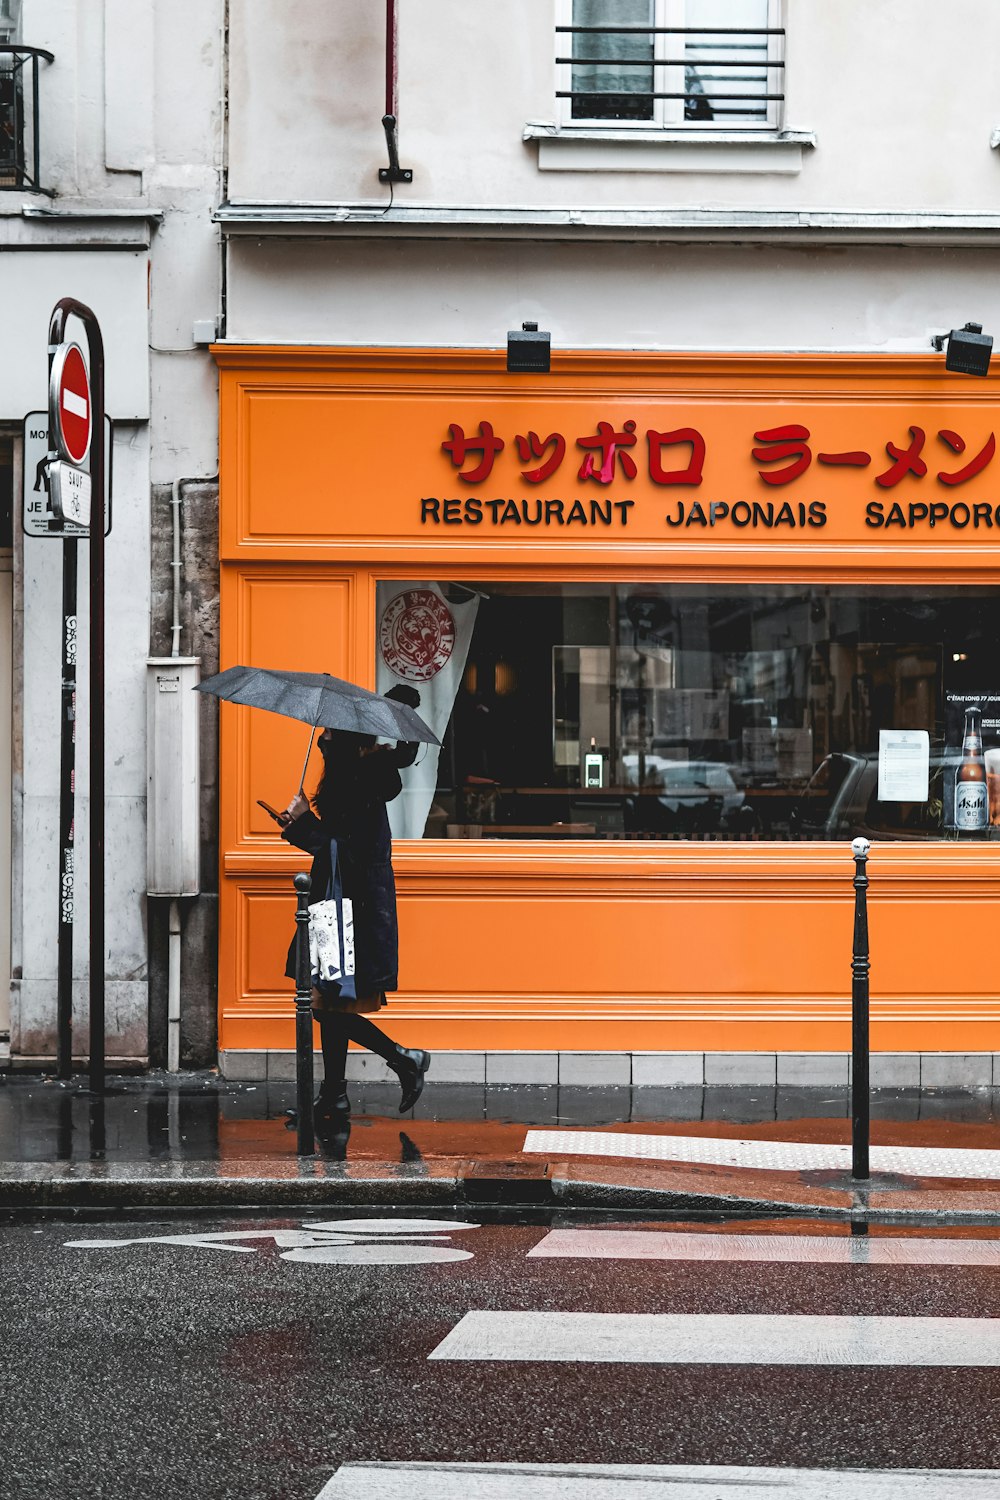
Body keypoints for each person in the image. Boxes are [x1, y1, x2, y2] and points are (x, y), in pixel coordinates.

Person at [279, 689, 430, 1131]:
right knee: (328, 1000)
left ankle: (404, 1058)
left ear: (345, 745)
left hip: (352, 911)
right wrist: (304, 823)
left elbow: (346, 851)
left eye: (329, 735)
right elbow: (339, 845)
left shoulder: (360, 784)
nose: (322, 740)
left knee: (327, 1005)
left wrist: (304, 825)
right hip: (339, 903)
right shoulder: (357, 782)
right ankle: (336, 1095)